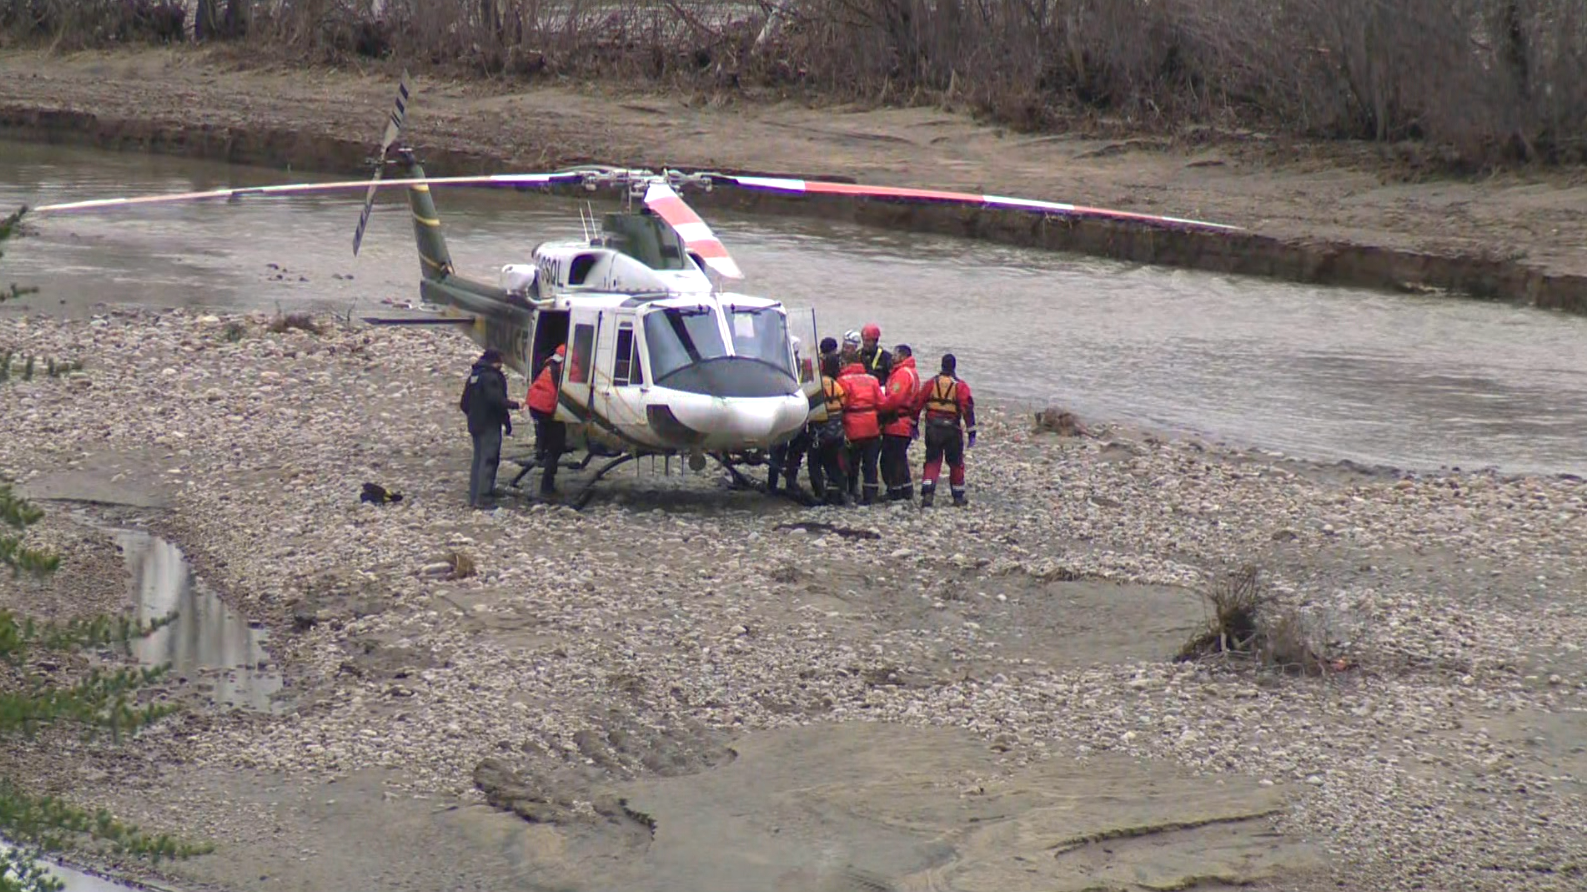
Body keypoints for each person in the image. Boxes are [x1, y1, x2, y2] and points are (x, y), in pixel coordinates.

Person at [914, 353, 976, 507]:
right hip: (952, 430)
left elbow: (917, 404)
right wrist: (971, 432)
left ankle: (928, 494)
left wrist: (913, 424)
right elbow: (967, 409)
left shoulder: (931, 383)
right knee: (955, 463)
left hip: (933, 428)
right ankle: (958, 497)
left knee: (932, 461)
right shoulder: (960, 386)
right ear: (954, 366)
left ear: (941, 365)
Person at [463, 348, 519, 509]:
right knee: (489, 459)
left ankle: (474, 496)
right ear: (495, 361)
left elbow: (464, 404)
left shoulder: (474, 376)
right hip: (489, 424)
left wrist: (473, 414)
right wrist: (515, 406)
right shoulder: (492, 377)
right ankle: (484, 497)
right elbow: (497, 402)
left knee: (478, 459)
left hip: (475, 423)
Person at [837, 345, 885, 504]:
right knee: (870, 463)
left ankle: (853, 490)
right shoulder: (872, 380)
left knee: (852, 461)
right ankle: (870, 494)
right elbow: (882, 403)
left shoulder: (842, 381)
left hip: (853, 427)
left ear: (845, 364)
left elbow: (841, 404)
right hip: (872, 425)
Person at [768, 336, 812, 497]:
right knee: (786, 452)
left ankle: (778, 483)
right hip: (792, 411)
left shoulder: (778, 365)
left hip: (789, 411)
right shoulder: (797, 365)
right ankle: (784, 483)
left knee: (784, 451)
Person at [879, 343, 921, 501]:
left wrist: (881, 408)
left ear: (903, 356)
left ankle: (894, 491)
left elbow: (894, 398)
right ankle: (906, 490)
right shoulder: (912, 372)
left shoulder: (902, 374)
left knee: (890, 459)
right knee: (900, 458)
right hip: (906, 421)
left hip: (897, 422)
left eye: (895, 355)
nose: (892, 357)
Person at [807, 352, 849, 505]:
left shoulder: (814, 385)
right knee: (832, 463)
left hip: (819, 430)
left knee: (814, 462)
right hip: (836, 430)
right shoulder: (835, 384)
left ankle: (819, 493)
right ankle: (841, 491)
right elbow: (844, 402)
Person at [526, 343, 568, 496]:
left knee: (544, 432)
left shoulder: (550, 363)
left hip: (534, 404)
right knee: (556, 445)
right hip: (546, 407)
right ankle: (546, 486)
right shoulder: (567, 367)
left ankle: (540, 449)